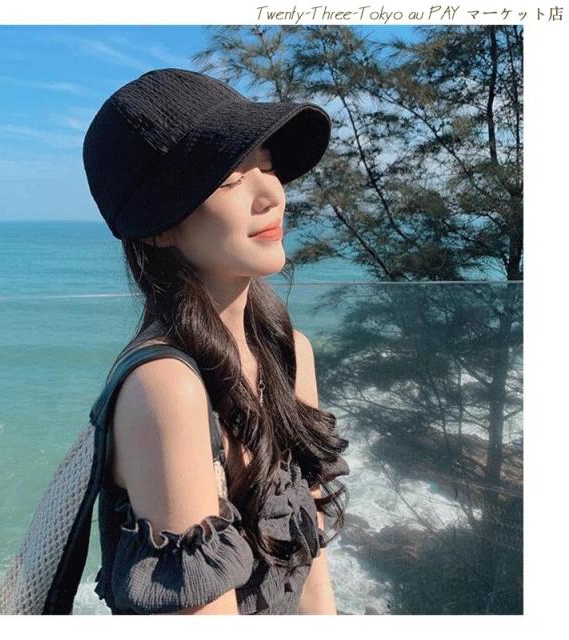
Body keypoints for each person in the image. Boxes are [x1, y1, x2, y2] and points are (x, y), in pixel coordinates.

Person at [82, 68, 350, 615]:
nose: (271, 194)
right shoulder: (168, 388)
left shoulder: (288, 353)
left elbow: (313, 579)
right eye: (230, 178)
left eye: (268, 167)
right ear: (159, 226)